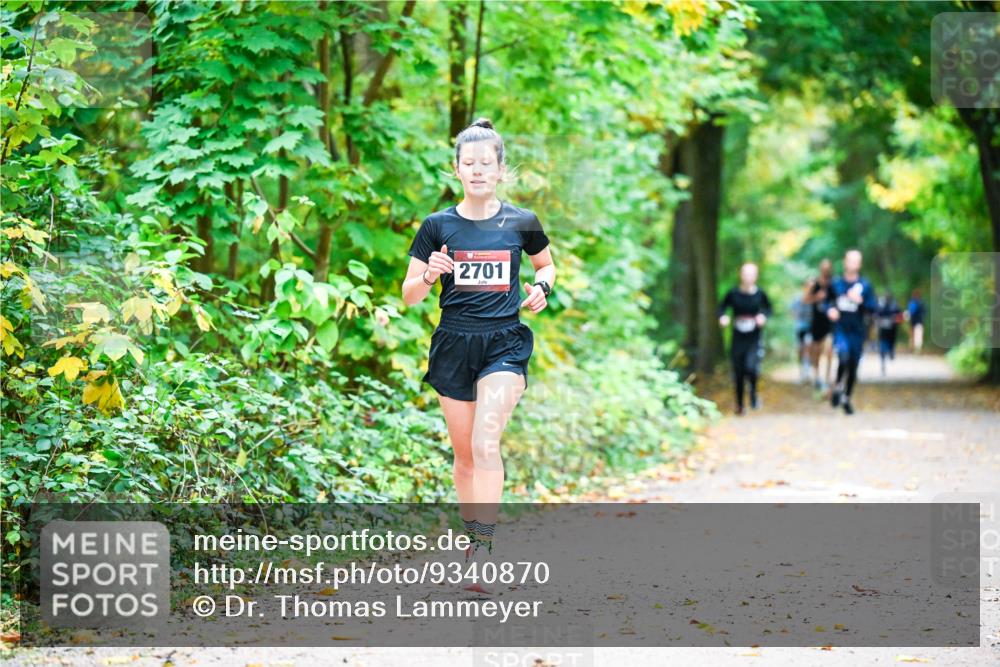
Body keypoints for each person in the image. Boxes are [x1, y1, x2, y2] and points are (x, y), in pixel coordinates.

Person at [401, 118, 555, 588]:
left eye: (486, 163)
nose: (478, 171)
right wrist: (430, 274)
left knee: (487, 443)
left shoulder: (521, 222)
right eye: (469, 163)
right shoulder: (437, 226)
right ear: (456, 169)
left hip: (504, 342)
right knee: (465, 455)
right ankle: (473, 533)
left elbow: (547, 266)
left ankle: (484, 550)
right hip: (453, 342)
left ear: (500, 169)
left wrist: (542, 288)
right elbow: (408, 295)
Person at [824, 249, 878, 415]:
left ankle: (846, 396)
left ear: (859, 264)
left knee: (854, 365)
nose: (852, 264)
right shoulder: (836, 284)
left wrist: (860, 301)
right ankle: (838, 385)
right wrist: (830, 310)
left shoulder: (865, 285)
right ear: (845, 262)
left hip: (858, 330)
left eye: (856, 261)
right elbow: (827, 302)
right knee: (843, 355)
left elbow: (873, 307)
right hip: (840, 329)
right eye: (850, 260)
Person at [718, 263, 772, 415]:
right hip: (737, 337)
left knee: (751, 367)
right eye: (745, 274)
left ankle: (754, 394)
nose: (748, 277)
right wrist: (723, 317)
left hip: (754, 337)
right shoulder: (733, 293)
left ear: (755, 276)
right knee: (738, 370)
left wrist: (763, 316)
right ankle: (740, 404)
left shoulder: (760, 294)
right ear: (740, 275)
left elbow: (768, 308)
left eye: (751, 274)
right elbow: (722, 307)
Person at [802, 259, 835, 392]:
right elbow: (804, 300)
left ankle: (827, 379)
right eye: (823, 268)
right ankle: (817, 377)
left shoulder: (834, 284)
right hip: (817, 322)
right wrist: (817, 297)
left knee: (829, 350)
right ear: (820, 269)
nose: (825, 270)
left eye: (828, 268)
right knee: (816, 351)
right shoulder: (813, 283)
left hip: (830, 323)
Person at [790, 288, 813, 384]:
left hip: (812, 329)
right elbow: (791, 311)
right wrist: (797, 318)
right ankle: (803, 372)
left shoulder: (814, 300)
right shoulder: (798, 299)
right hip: (800, 329)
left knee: (808, 347)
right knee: (801, 350)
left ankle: (808, 372)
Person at [876, 292, 902, 376]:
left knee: (888, 344)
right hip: (885, 331)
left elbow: (899, 317)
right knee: (884, 346)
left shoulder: (893, 306)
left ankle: (889, 353)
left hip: (890, 331)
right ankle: (885, 359)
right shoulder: (884, 306)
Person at [907, 288, 925, 354]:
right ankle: (916, 350)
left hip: (915, 322)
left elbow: (910, 313)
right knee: (917, 336)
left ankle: (914, 349)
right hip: (918, 322)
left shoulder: (912, 303)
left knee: (916, 336)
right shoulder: (920, 303)